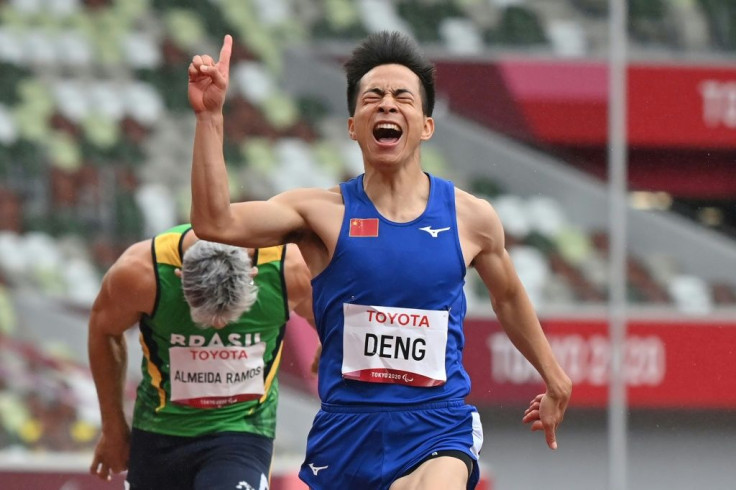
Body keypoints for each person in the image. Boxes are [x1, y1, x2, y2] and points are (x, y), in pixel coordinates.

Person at [187, 31, 572, 490]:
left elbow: (508, 296)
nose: (387, 104)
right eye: (373, 96)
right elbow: (215, 223)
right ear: (353, 126)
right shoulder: (319, 214)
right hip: (347, 431)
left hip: (436, 425)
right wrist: (210, 117)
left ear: (425, 125)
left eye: (402, 96)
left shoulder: (472, 218)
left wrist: (555, 376)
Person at [88, 223, 314, 489]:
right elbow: (104, 331)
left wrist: (328, 340)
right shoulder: (141, 273)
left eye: (230, 314)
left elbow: (327, 313)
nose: (217, 327)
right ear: (180, 275)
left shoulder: (290, 271)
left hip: (242, 429)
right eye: (204, 315)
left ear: (253, 273)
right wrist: (113, 428)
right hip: (159, 431)